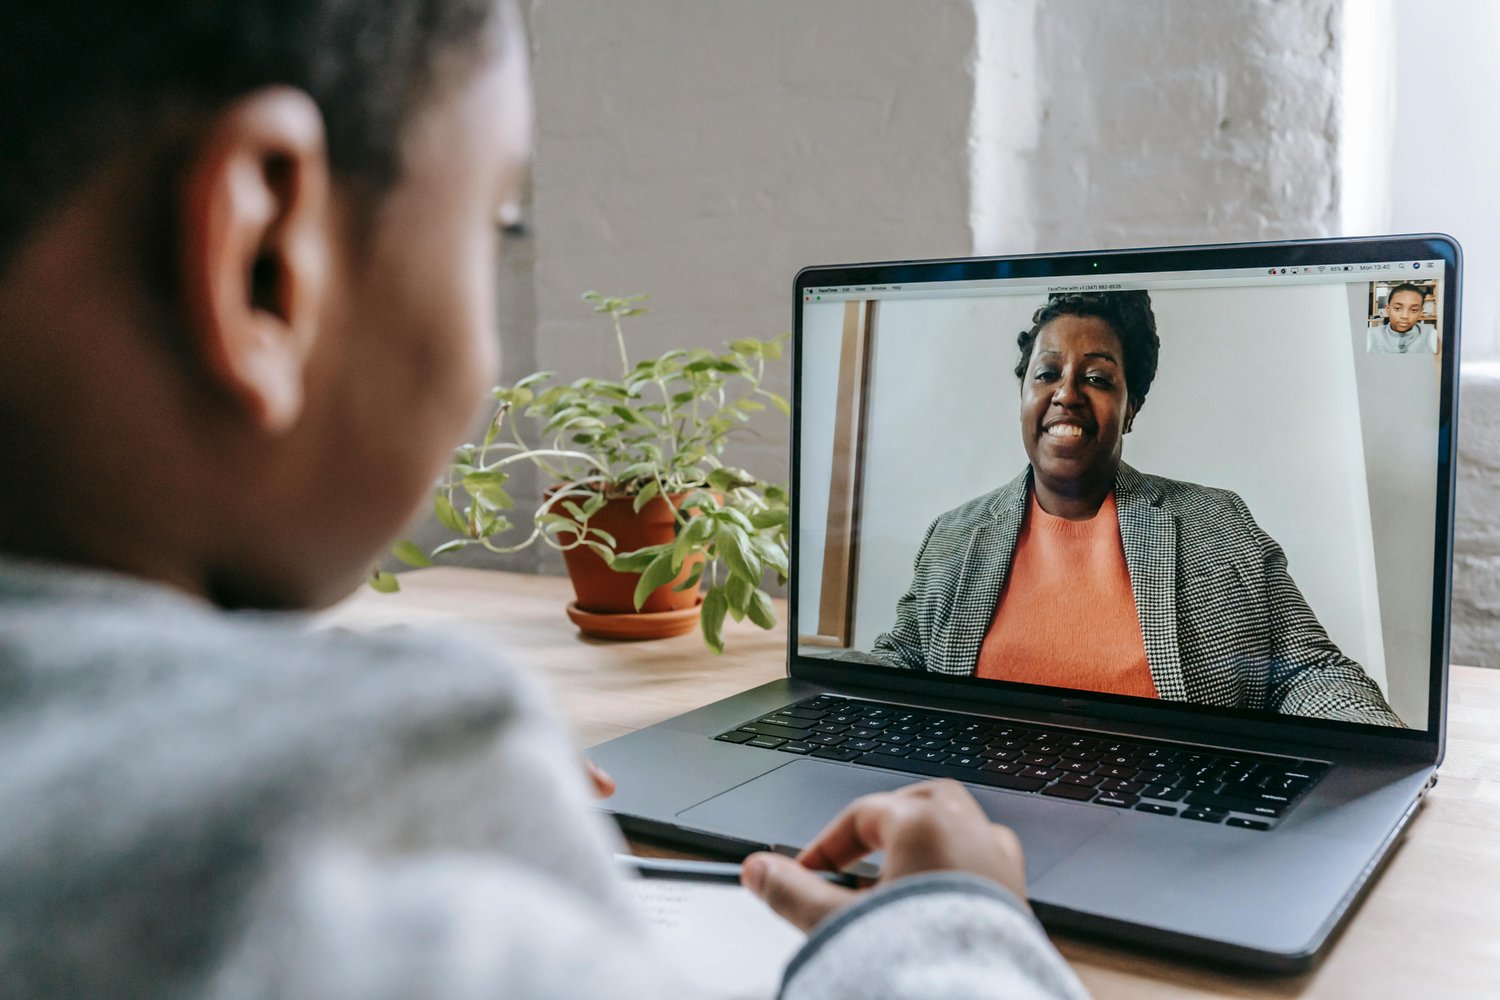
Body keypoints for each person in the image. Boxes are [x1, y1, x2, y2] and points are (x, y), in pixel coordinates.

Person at [0, 2, 1088, 998]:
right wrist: (959, 927)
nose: (1069, 397)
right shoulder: (350, 832)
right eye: (491, 219)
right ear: (262, 262)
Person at [873, 291, 1405, 728]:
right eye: (1047, 373)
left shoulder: (1215, 522)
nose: (1067, 393)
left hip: (1166, 823)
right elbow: (900, 661)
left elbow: (1308, 672)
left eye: (1098, 379)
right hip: (976, 821)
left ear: (1131, 411)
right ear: (1023, 396)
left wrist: (1381, 755)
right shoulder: (954, 534)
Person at [1368, 282, 1438, 354]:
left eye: (1413, 310)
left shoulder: (1432, 335)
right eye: (1397, 308)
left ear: (1420, 312)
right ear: (1388, 309)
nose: (1405, 316)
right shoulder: (1370, 336)